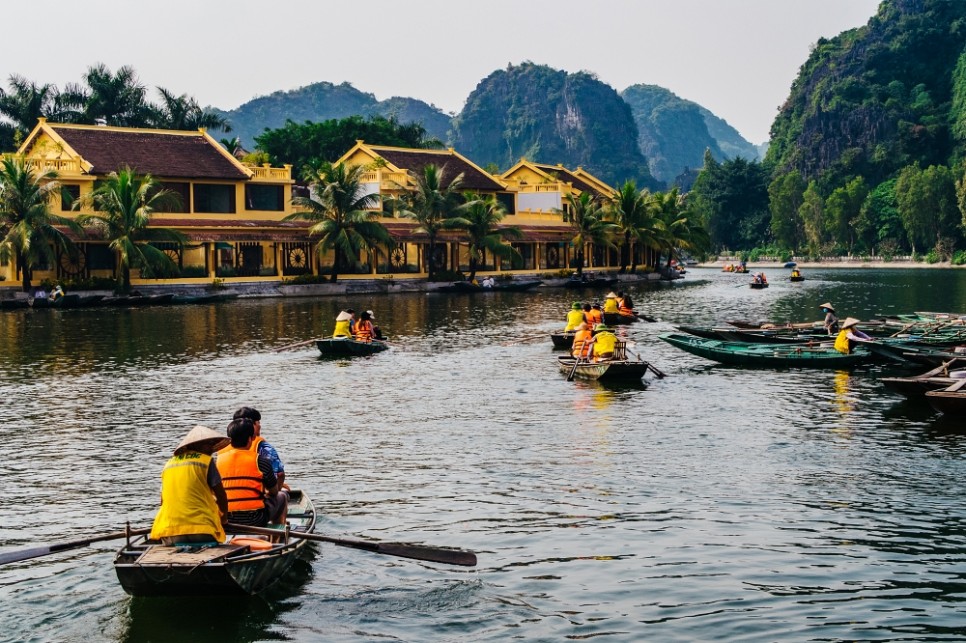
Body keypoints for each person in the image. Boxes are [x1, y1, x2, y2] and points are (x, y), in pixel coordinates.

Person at [150, 425, 229, 546]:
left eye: (212, 443)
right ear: (195, 445)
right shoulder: (206, 461)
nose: (211, 447)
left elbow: (162, 501)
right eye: (207, 444)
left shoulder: (169, 464)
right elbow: (221, 495)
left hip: (170, 531)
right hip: (203, 530)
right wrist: (223, 519)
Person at [217, 418, 287, 527]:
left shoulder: (218, 461)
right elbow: (274, 492)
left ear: (230, 440)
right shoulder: (260, 461)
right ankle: (277, 537)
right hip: (255, 518)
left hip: (225, 519)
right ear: (250, 439)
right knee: (282, 496)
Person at [233, 406, 285, 489]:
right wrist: (278, 489)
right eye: (258, 423)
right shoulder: (264, 448)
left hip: (229, 497)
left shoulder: (224, 448)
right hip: (257, 498)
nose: (260, 426)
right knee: (283, 495)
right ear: (252, 425)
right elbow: (279, 475)